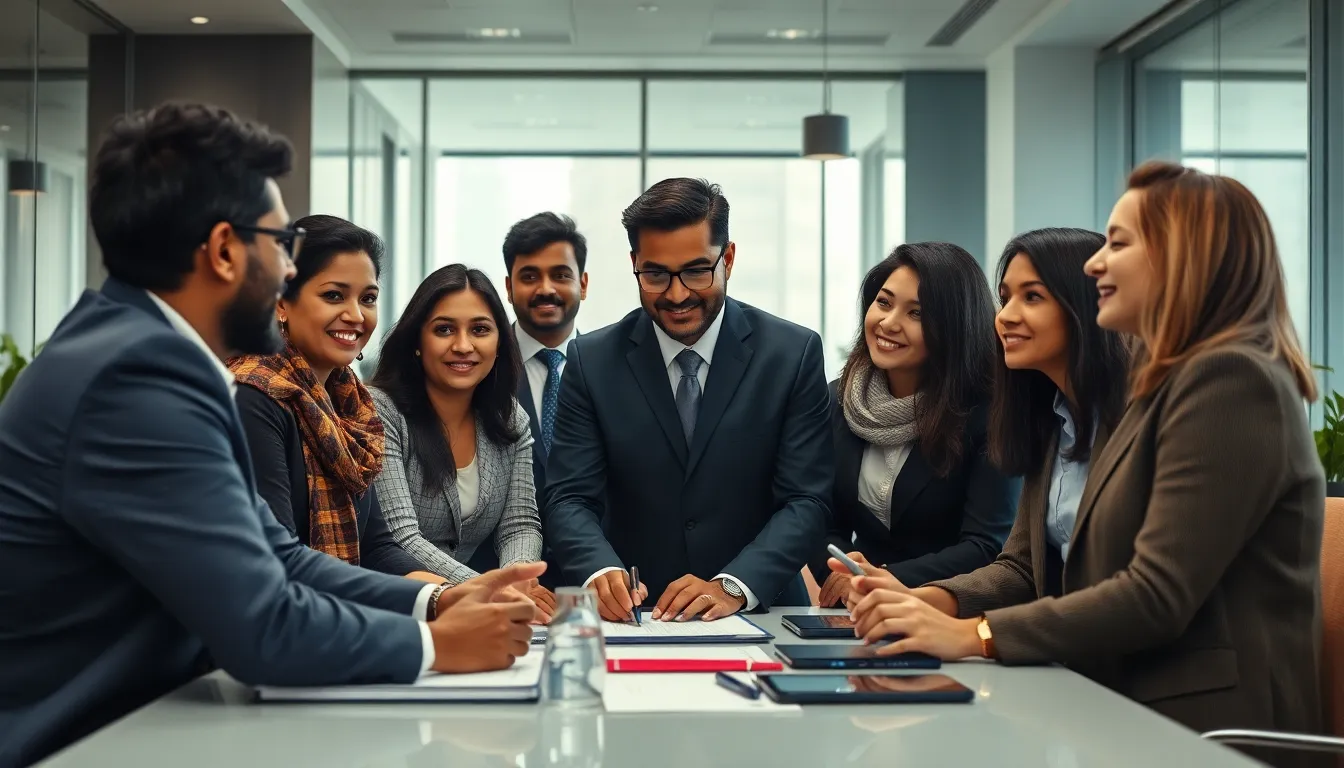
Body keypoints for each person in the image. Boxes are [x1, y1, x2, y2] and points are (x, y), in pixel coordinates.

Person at [0, 103, 539, 767]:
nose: (289, 269)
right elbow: (264, 624)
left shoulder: (138, 353)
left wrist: (437, 597)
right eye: (282, 244)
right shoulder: (137, 378)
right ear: (225, 249)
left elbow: (275, 554)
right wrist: (439, 646)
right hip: (84, 743)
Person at [849, 165, 1325, 762]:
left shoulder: (1229, 379)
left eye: (1119, 244)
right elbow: (1024, 570)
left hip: (1199, 725)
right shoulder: (1062, 412)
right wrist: (929, 602)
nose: (1097, 263)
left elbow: (1155, 594)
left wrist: (974, 635)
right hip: (1100, 693)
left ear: (1186, 258)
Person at [543, 177, 832, 622]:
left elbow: (806, 500)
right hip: (638, 613)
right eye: (655, 274)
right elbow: (569, 496)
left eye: (697, 270)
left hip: (761, 609)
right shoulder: (592, 360)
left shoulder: (792, 354)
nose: (677, 295)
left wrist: (734, 584)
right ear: (634, 263)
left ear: (728, 259)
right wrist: (599, 570)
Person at [231, 214, 445, 584]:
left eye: (368, 298)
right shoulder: (254, 396)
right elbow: (279, 558)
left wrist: (454, 593)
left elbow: (375, 546)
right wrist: (432, 601)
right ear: (281, 302)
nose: (356, 315)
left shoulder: (349, 403)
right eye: (333, 295)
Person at [809, 242, 1016, 609]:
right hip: (862, 613)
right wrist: (841, 572)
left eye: (917, 313)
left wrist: (887, 577)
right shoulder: (838, 401)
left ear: (954, 328)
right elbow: (821, 518)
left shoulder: (991, 413)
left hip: (956, 612)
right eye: (884, 303)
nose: (888, 323)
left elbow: (986, 544)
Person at [370, 265, 554, 619]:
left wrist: (517, 580)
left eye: (480, 330)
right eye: (444, 330)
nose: (463, 346)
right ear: (417, 343)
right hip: (392, 608)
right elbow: (401, 537)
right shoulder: (380, 410)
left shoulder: (509, 417)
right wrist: (489, 592)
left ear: (500, 342)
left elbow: (520, 524)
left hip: (469, 612)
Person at [502, 212, 589, 590]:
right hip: (501, 577)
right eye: (530, 276)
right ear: (508, 287)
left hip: (598, 582)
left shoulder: (614, 368)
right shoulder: (477, 367)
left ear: (583, 284)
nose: (546, 288)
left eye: (561, 274)